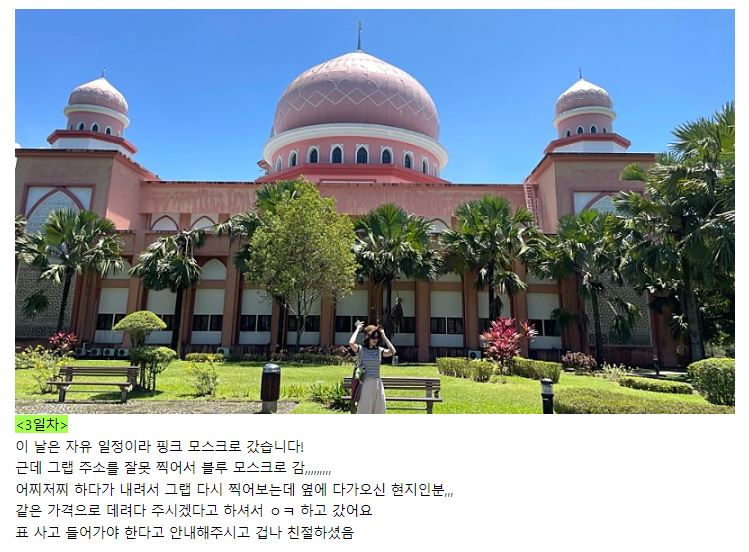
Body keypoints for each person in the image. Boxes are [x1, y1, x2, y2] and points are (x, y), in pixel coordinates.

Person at [348, 321, 396, 414]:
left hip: (378, 383)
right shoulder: (361, 350)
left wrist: (383, 335)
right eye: (373, 337)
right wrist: (357, 329)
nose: (375, 339)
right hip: (365, 383)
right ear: (368, 337)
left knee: (379, 410)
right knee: (365, 410)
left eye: (377, 337)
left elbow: (392, 351)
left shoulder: (379, 350)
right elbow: (351, 343)